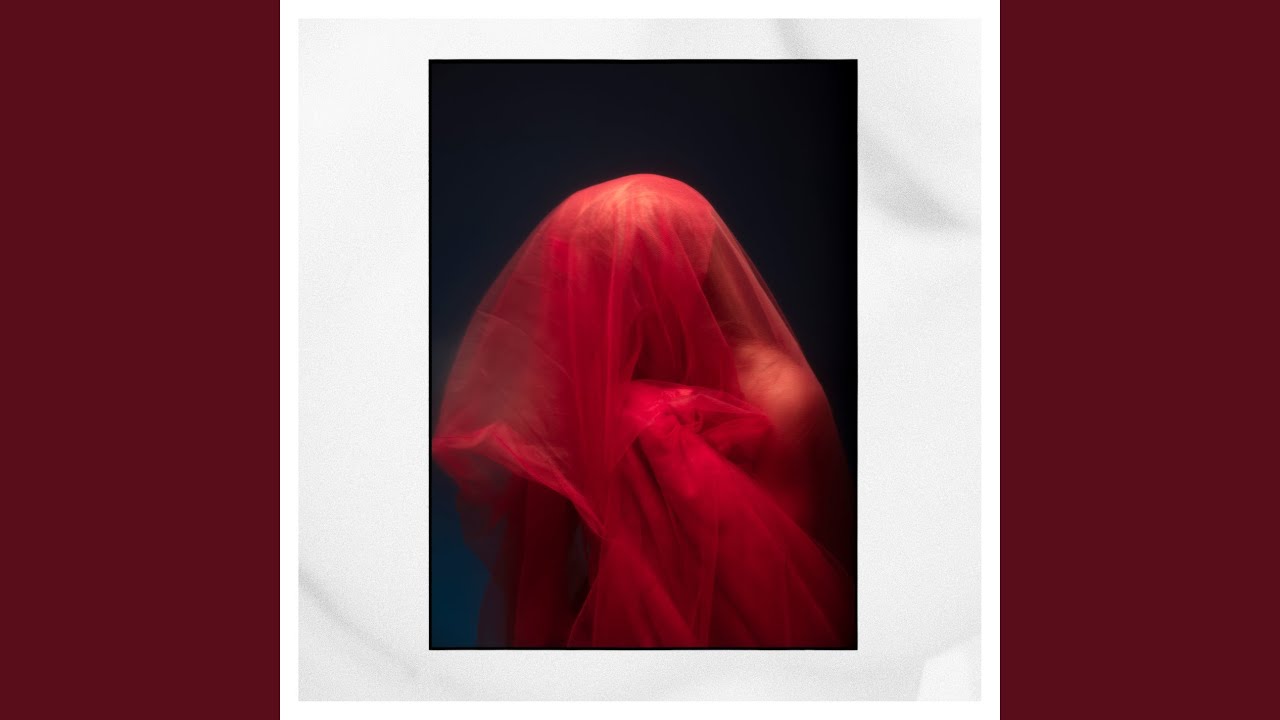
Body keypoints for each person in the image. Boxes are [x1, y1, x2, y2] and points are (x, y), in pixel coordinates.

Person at [432, 174, 854, 647]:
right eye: (586, 280)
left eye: (610, 279)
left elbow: (782, 579)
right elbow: (549, 577)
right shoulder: (591, 401)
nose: (590, 301)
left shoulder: (778, 394)